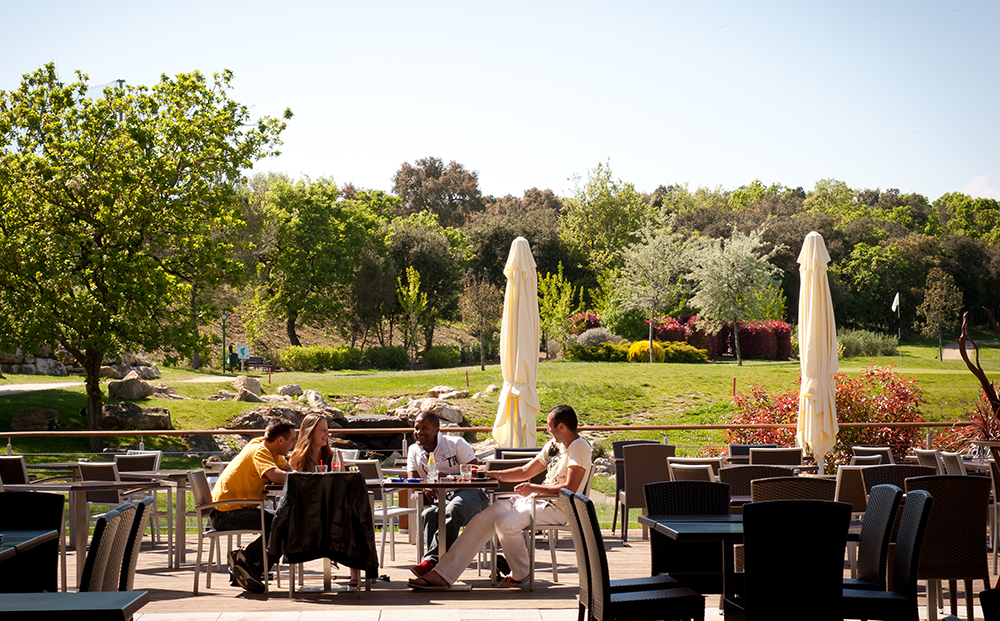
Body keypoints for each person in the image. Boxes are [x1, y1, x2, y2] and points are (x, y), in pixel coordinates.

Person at [407, 404, 592, 590]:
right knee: (483, 518)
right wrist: (491, 474)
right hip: (535, 500)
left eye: (549, 425)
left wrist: (534, 488)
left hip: (557, 507)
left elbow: (571, 489)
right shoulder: (554, 446)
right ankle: (443, 574)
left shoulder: (579, 447)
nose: (547, 429)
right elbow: (525, 470)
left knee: (505, 522)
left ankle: (521, 572)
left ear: (561, 427)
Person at [211, 418, 295, 593]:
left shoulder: (270, 451)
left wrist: (298, 475)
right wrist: (304, 479)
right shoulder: (259, 451)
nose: (293, 444)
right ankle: (246, 561)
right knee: (280, 525)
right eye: (292, 439)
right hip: (226, 512)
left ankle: (248, 568)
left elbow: (288, 471)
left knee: (283, 523)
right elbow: (275, 475)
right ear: (280, 440)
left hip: (235, 508)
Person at [407, 412, 489, 578]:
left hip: (472, 495)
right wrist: (425, 489)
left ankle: (432, 562)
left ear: (437, 429)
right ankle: (438, 570)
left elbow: (475, 473)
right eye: (416, 428)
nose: (419, 432)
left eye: (425, 428)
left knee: (452, 509)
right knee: (428, 514)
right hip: (443, 498)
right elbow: (413, 483)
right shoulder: (413, 450)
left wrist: (444, 477)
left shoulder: (456, 443)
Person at [287, 413, 361, 587]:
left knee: (351, 516)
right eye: (322, 430)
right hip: (307, 512)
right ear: (310, 432)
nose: (327, 434)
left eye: (327, 430)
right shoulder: (297, 458)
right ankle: (336, 555)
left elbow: (343, 485)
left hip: (333, 506)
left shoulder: (335, 455)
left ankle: (354, 571)